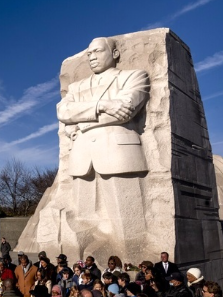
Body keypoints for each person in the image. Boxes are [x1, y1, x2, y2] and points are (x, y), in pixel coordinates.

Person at [56, 36, 151, 259]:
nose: (92, 57)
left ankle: (132, 264)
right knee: (83, 221)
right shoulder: (77, 86)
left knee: (126, 221)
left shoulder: (134, 76)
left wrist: (80, 122)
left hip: (118, 153)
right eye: (89, 54)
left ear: (115, 54)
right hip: (82, 157)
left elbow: (127, 109)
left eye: (97, 51)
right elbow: (63, 112)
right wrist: (102, 105)